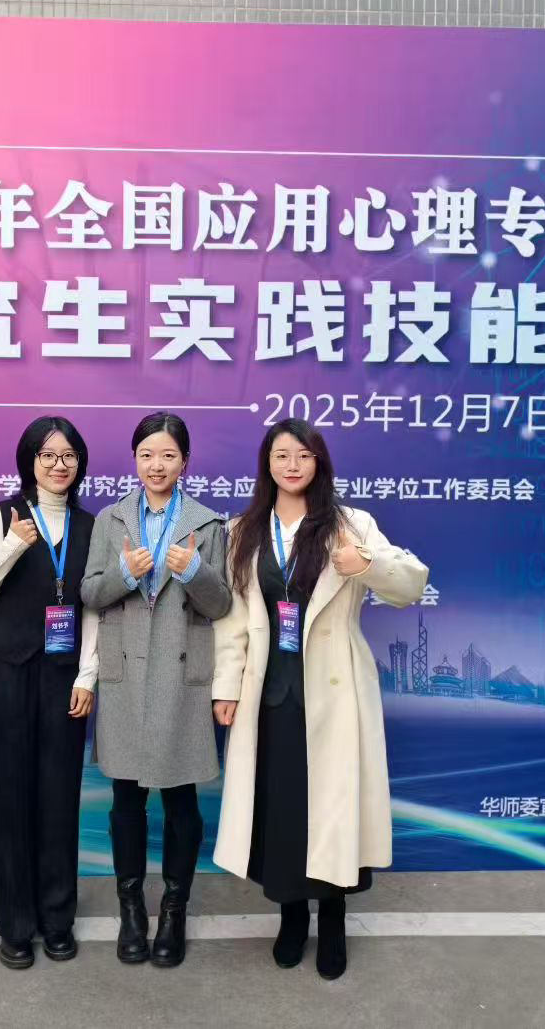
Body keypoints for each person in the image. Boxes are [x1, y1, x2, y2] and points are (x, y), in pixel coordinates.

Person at [211, 419, 429, 980]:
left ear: (319, 463)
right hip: (270, 691)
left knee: (332, 806)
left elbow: (409, 585)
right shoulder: (242, 531)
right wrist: (227, 686)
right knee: (282, 807)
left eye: (303, 455)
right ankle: (291, 917)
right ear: (266, 463)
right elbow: (232, 620)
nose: (292, 465)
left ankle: (333, 920)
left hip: (334, 688)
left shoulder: (351, 524)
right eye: (281, 455)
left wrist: (368, 565)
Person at [80, 411, 232, 968]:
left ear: (185, 462)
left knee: (181, 802)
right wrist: (123, 573)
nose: (157, 465)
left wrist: (194, 572)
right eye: (147, 455)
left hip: (181, 676)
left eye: (168, 455)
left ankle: (173, 911)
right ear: (134, 460)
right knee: (126, 802)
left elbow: (221, 604)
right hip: (124, 676)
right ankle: (131, 912)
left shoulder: (208, 525)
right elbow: (90, 593)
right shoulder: (111, 519)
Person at [0, 416, 98, 970]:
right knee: (10, 796)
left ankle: (57, 920)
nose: (58, 464)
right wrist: (12, 547)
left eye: (68, 455)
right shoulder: (4, 516)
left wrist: (87, 676)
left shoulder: (92, 526)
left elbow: (95, 608)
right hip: (7, 671)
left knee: (59, 797)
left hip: (64, 676)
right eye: (48, 455)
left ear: (79, 462)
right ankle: (15, 926)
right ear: (30, 461)